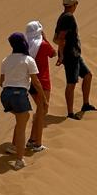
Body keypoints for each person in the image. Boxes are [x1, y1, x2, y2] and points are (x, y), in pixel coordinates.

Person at [0, 32, 44, 168]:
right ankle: (19, 160)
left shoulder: (5, 60)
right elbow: (36, 82)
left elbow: (1, 82)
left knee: (21, 120)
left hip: (5, 95)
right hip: (19, 94)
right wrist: (43, 98)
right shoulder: (28, 60)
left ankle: (14, 146)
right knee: (22, 125)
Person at [54, 0, 96, 120]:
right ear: (73, 5)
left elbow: (58, 38)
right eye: (76, 3)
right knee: (71, 83)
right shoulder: (68, 18)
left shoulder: (64, 16)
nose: (77, 5)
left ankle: (85, 104)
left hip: (75, 54)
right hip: (71, 55)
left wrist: (61, 53)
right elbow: (60, 38)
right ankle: (70, 113)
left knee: (87, 76)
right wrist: (61, 55)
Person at [24, 19, 56, 152]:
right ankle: (37, 143)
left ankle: (32, 139)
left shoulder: (26, 46)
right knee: (42, 110)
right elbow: (53, 53)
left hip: (30, 83)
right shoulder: (42, 44)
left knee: (40, 109)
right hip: (43, 82)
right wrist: (46, 38)